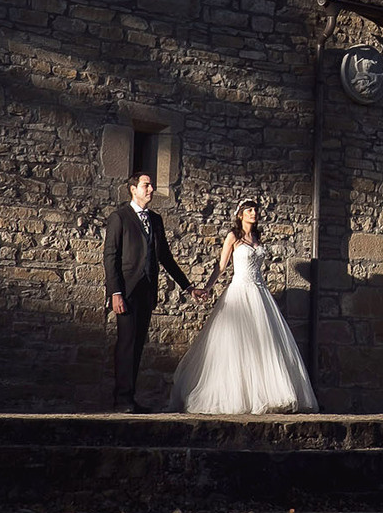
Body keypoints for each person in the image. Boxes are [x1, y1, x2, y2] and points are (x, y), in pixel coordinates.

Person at [167, 200, 318, 414]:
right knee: (238, 343)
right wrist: (208, 287)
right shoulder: (233, 237)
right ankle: (235, 395)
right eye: (249, 210)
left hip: (259, 293)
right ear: (240, 214)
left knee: (264, 343)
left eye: (255, 210)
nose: (254, 213)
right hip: (240, 291)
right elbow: (221, 266)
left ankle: (267, 394)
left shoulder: (257, 238)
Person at [102, 171, 195, 411]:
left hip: (147, 291)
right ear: (133, 189)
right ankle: (121, 399)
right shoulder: (119, 217)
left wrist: (188, 286)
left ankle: (130, 398)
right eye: (146, 185)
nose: (151, 189)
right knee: (126, 343)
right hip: (127, 290)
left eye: (152, 185)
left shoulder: (155, 220)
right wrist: (115, 293)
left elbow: (165, 257)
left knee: (138, 344)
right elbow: (110, 257)